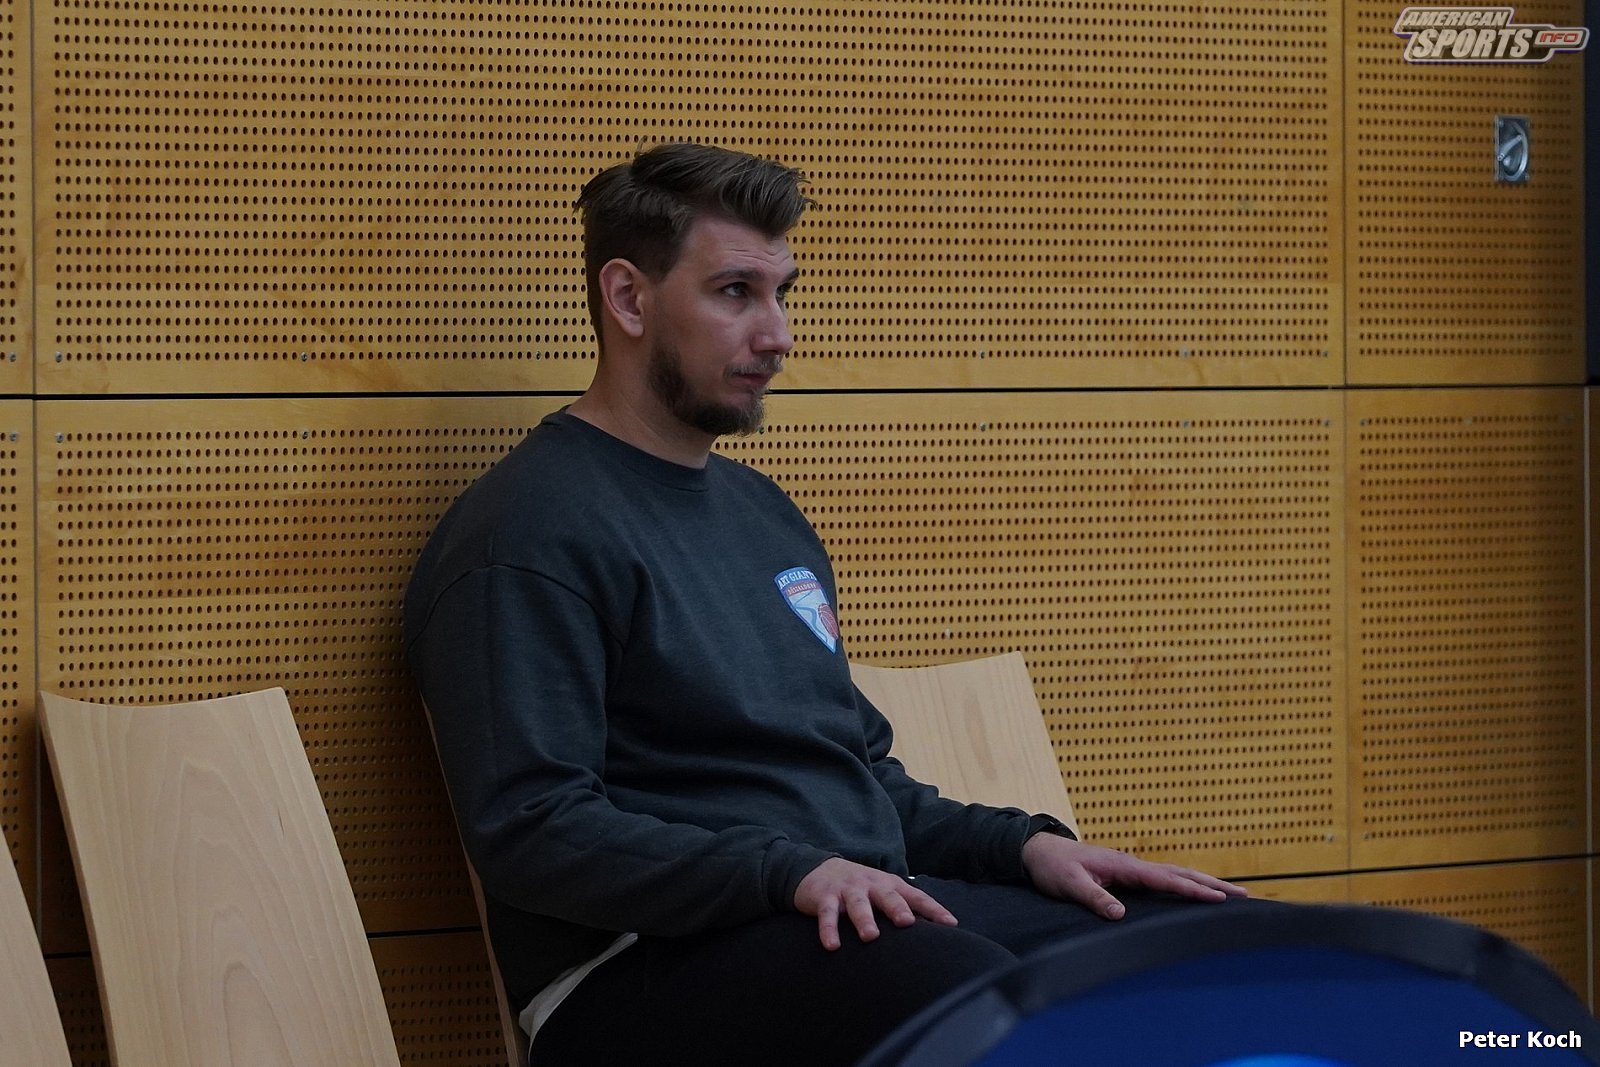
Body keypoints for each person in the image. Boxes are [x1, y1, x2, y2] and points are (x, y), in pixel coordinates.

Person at [404, 142, 1253, 1066]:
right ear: (628, 299)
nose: (777, 335)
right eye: (735, 292)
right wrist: (786, 870)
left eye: (782, 293)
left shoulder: (761, 513)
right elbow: (534, 829)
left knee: (1219, 947)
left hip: (846, 915)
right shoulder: (524, 534)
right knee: (978, 1003)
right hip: (635, 970)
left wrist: (1023, 850)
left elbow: (856, 779)